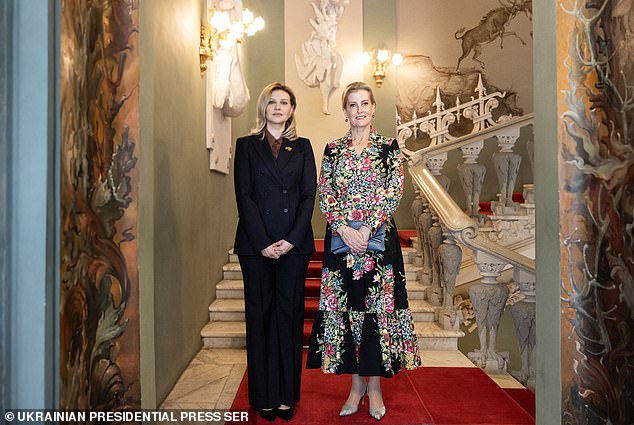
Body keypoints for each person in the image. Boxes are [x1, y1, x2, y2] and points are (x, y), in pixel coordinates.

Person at [306, 81, 422, 421]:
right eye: (352, 104)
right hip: (341, 244)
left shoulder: (388, 148)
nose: (359, 109)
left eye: (364, 103)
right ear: (345, 112)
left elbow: (393, 190)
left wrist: (367, 228)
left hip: (378, 244)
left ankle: (375, 389)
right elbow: (325, 192)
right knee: (349, 315)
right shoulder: (332, 149)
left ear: (373, 109)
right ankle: (355, 387)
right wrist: (343, 228)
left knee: (376, 316)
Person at [233, 82, 317, 422]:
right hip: (256, 246)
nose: (278, 107)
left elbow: (308, 195)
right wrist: (264, 241)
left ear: (292, 109)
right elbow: (245, 197)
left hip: (294, 247)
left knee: (289, 317)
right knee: (260, 317)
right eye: (272, 102)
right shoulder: (246, 146)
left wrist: (292, 239)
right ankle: (263, 397)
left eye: (284, 102)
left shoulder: (304, 147)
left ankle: (286, 397)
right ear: (263, 107)